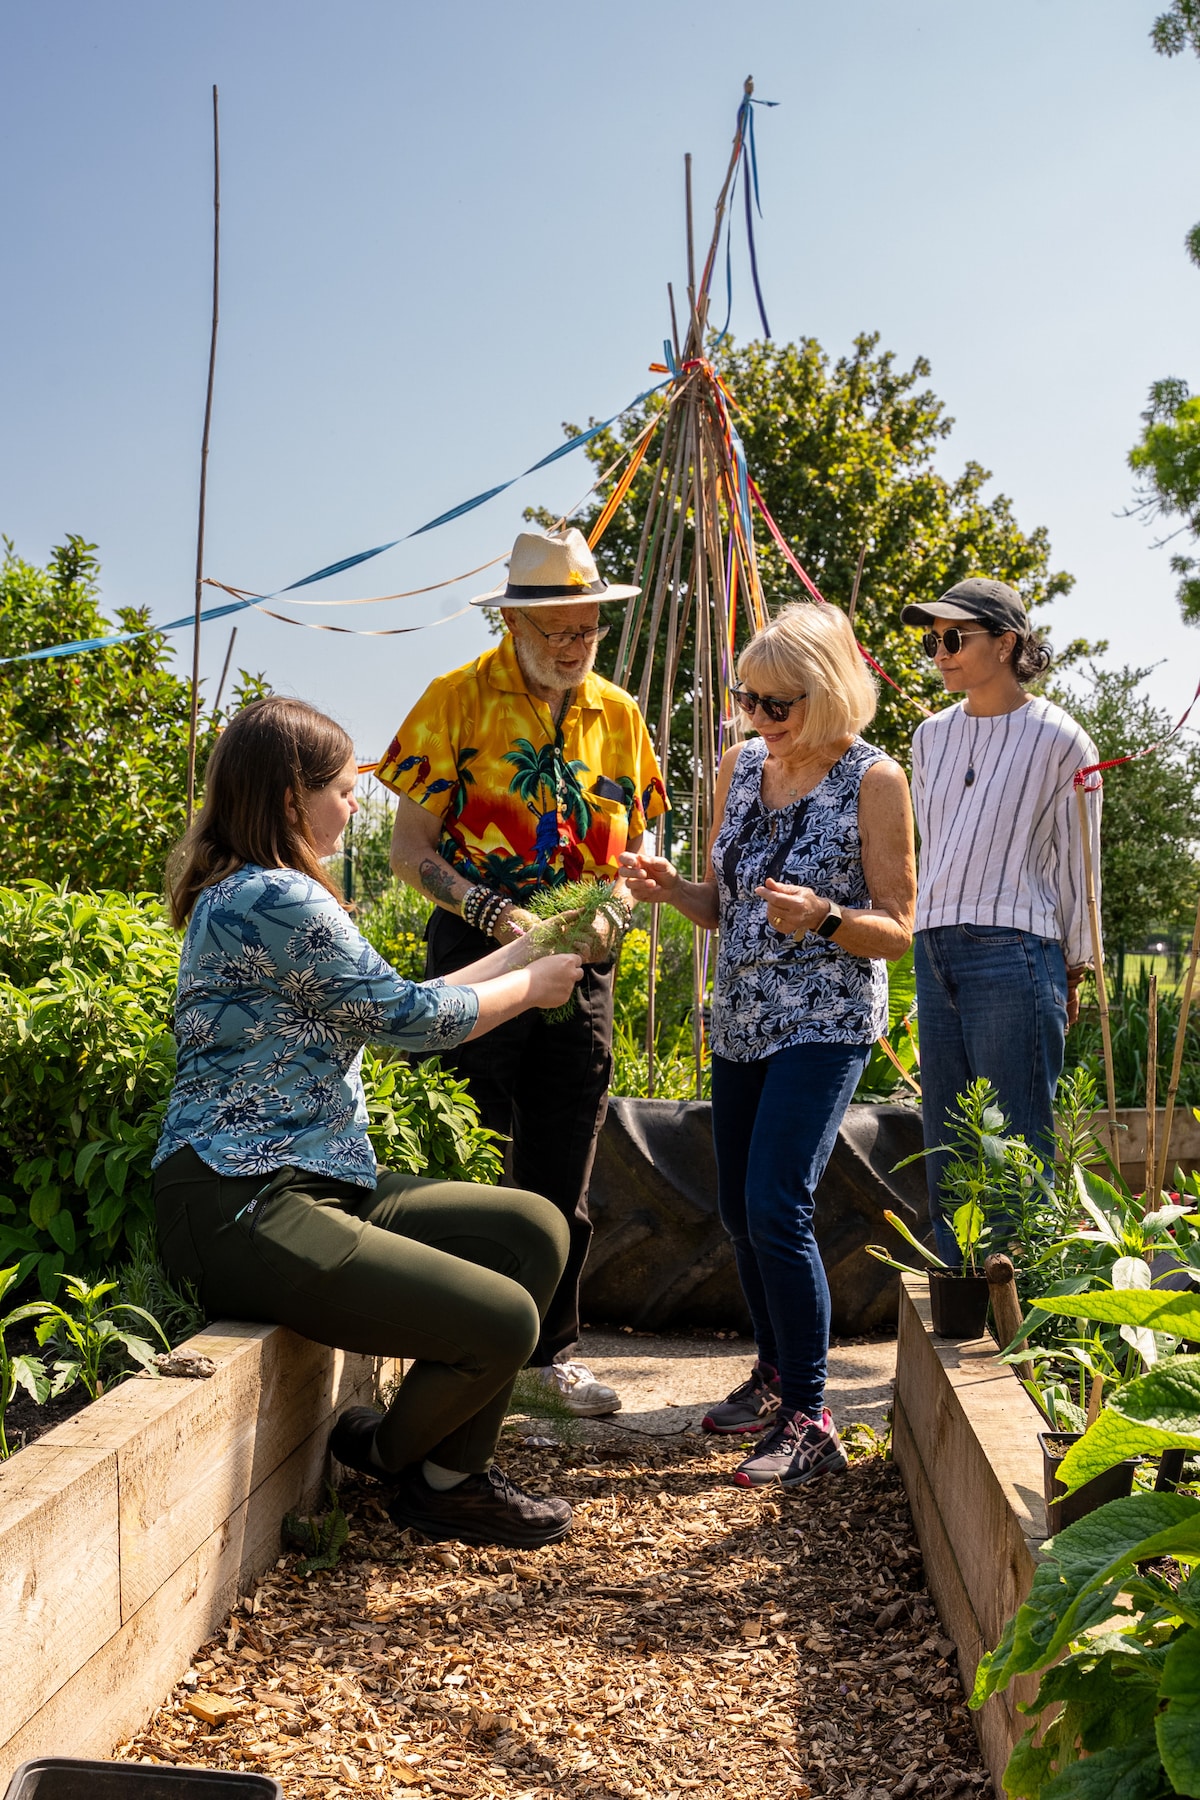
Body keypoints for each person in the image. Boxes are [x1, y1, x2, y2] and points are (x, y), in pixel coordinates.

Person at [152, 695, 588, 1549]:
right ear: (289, 798)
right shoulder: (275, 896)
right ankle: (389, 1454)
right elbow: (408, 1021)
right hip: (240, 1201)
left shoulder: (265, 893)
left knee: (533, 1228)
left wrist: (535, 948)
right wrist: (529, 988)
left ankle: (450, 1481)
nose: (358, 805)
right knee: (504, 1322)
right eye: (345, 790)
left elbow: (403, 1002)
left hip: (313, 1185)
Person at [620, 603, 915, 1488]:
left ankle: (813, 1417)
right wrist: (674, 889)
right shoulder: (741, 765)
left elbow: (898, 928)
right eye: (747, 698)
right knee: (742, 1212)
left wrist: (826, 918)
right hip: (743, 1013)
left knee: (778, 1203)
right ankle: (775, 1373)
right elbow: (724, 903)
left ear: (826, 695)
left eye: (777, 703)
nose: (757, 716)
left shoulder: (874, 778)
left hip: (825, 1019)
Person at [377, 527, 667, 1418]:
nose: (575, 647)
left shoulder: (618, 715)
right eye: (557, 631)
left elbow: (643, 837)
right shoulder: (454, 700)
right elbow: (407, 850)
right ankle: (459, 1343)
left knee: (564, 1149)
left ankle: (553, 1354)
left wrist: (615, 909)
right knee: (473, 1145)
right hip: (475, 950)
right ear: (511, 620)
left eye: (588, 629)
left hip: (586, 956)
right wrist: (502, 918)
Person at [900, 577, 1100, 1265]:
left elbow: (1080, 864)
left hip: (1017, 950)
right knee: (950, 1138)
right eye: (933, 640)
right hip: (934, 946)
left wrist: (1074, 965)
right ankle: (961, 1312)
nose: (940, 652)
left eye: (954, 638)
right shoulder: (929, 737)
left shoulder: (1063, 740)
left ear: (1007, 642)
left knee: (1016, 1143)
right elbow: (935, 843)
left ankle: (1024, 1321)